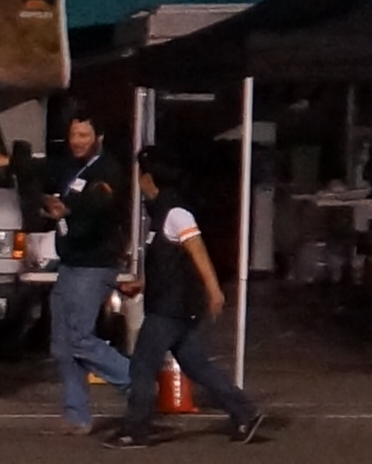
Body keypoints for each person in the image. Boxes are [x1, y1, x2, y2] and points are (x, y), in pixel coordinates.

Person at [107, 152, 259, 446]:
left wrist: (214, 290)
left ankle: (134, 428)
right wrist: (143, 284)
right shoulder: (162, 213)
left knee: (142, 365)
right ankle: (244, 412)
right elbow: (171, 262)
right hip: (174, 303)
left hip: (171, 307)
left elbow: (197, 252)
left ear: (148, 178)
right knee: (195, 364)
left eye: (139, 173)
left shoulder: (176, 213)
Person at [37, 113, 133, 434]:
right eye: (74, 135)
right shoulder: (70, 168)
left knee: (80, 338)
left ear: (98, 138)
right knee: (62, 345)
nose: (77, 141)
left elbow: (99, 201)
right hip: (70, 262)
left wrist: (69, 209)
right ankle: (76, 415)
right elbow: (44, 173)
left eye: (84, 135)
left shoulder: (108, 169)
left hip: (95, 264)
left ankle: (137, 382)